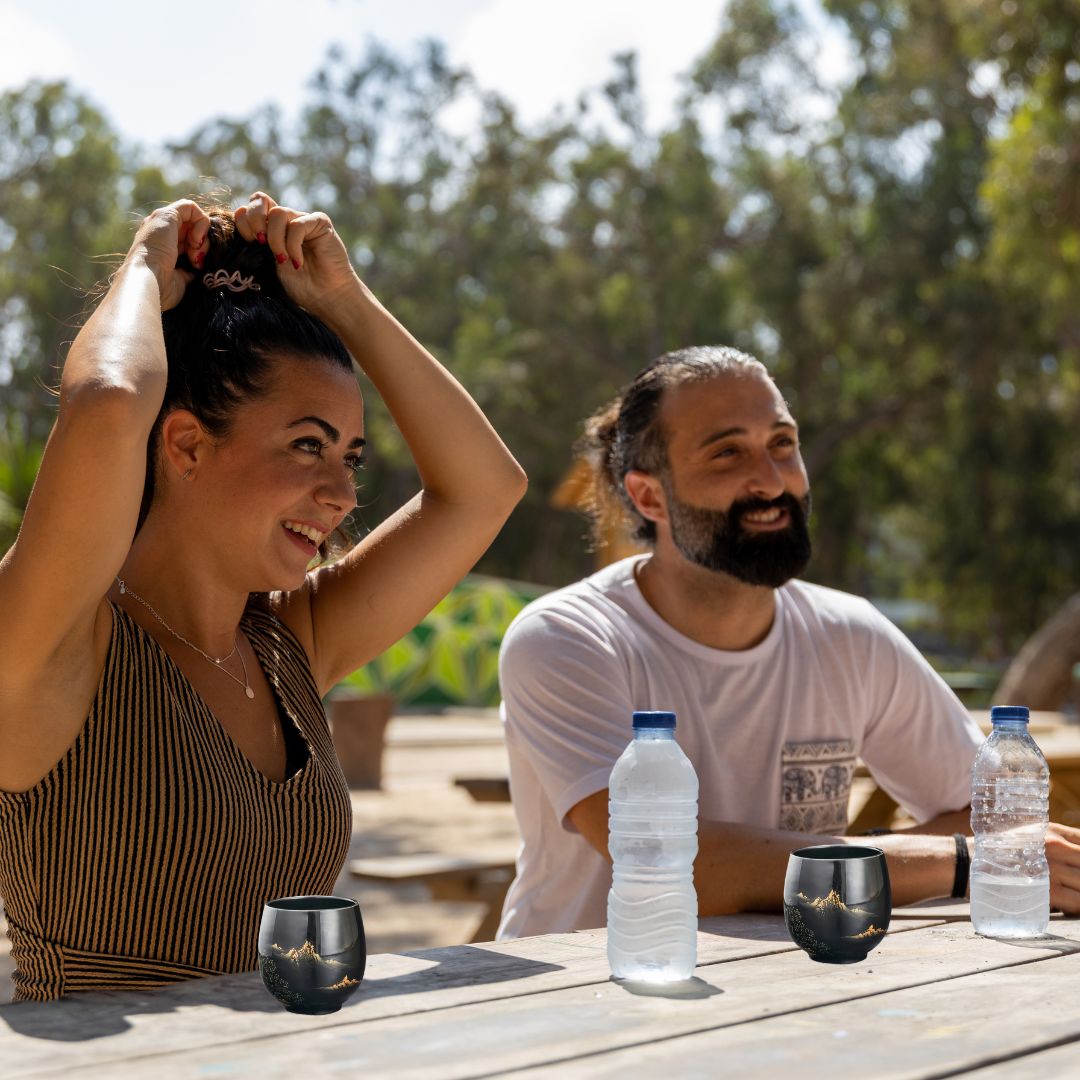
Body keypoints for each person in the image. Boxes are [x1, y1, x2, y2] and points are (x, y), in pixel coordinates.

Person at [0, 193, 526, 1001]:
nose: (342, 493)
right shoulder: (59, 640)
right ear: (184, 443)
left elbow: (485, 488)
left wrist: (345, 303)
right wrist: (143, 265)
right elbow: (108, 404)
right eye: (307, 445)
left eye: (350, 456)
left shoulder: (289, 642)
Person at [497, 345, 1080, 938]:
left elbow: (1002, 819)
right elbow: (671, 865)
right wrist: (950, 862)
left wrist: (877, 860)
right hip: (591, 998)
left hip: (794, 987)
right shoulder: (566, 639)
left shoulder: (850, 636)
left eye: (782, 444)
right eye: (728, 454)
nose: (772, 481)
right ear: (650, 497)